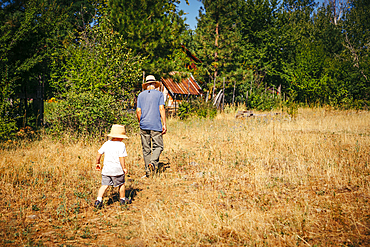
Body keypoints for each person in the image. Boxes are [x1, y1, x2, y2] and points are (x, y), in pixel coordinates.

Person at [136, 75, 167, 178]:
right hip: (155, 124)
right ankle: (153, 163)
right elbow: (161, 108)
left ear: (146, 85)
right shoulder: (159, 94)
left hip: (144, 124)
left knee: (146, 149)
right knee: (158, 146)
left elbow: (138, 111)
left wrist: (141, 121)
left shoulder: (140, 95)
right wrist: (164, 124)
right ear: (154, 84)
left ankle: (148, 172)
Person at [94, 124, 131, 208]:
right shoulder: (121, 145)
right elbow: (121, 157)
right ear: (120, 137)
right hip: (117, 170)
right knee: (121, 184)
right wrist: (124, 167)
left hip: (107, 170)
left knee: (104, 185)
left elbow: (99, 153)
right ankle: (122, 199)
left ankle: (98, 200)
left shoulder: (107, 143)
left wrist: (98, 162)